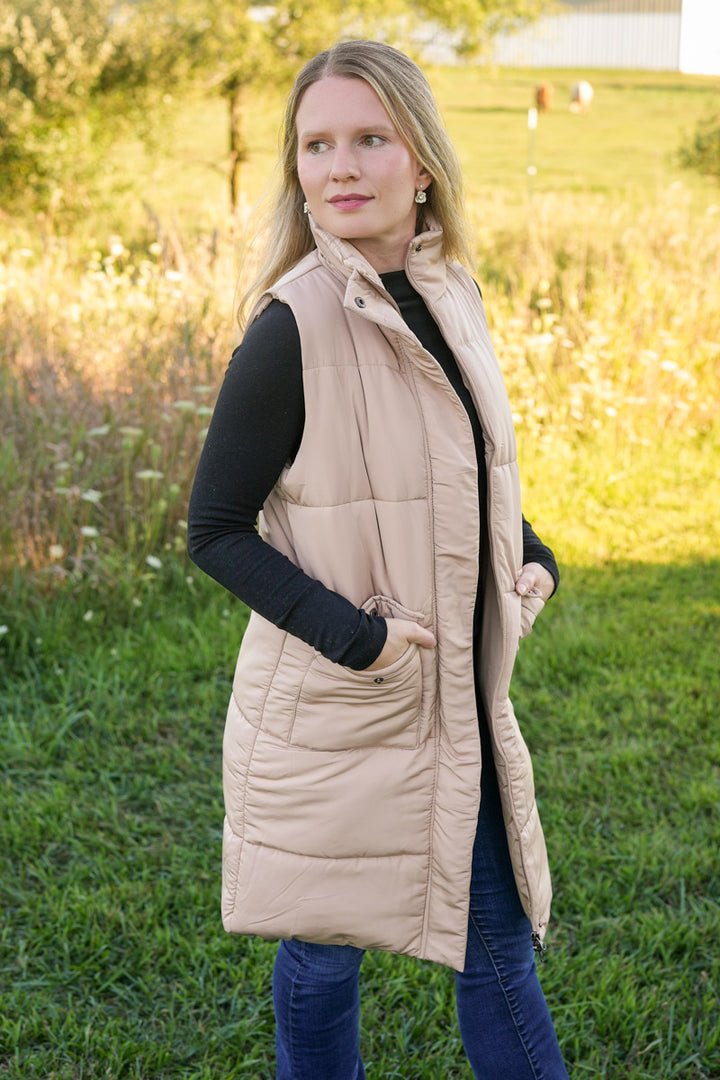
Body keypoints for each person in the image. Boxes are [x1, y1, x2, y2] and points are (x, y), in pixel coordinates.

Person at [187, 38, 569, 1080]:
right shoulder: (291, 327)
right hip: (341, 704)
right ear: (296, 168)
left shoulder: (454, 295)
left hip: (455, 706)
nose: (341, 166)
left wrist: (523, 550)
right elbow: (213, 528)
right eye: (316, 144)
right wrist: (357, 640)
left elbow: (469, 463)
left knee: (494, 944)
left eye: (369, 138)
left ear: (423, 161)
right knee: (320, 949)